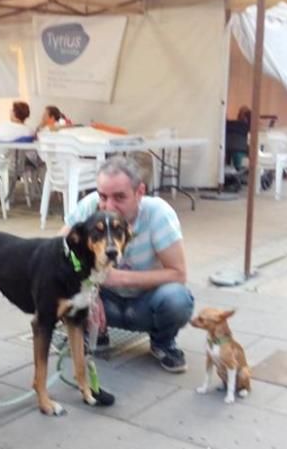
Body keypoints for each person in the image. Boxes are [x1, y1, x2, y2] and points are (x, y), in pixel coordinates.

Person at [63, 157, 193, 373]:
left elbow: (179, 274)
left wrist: (118, 277)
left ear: (140, 192)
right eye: (103, 196)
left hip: (145, 303)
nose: (108, 205)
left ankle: (162, 343)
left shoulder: (158, 213)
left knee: (177, 299)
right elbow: (60, 250)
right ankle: (94, 332)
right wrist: (89, 291)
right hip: (105, 301)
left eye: (119, 197)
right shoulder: (90, 208)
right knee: (60, 285)